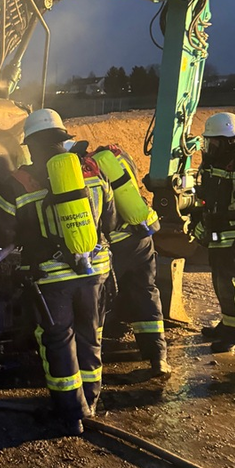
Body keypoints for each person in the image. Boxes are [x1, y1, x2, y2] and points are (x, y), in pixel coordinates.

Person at [0, 108, 116, 436]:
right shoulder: (92, 170)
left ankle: (70, 414)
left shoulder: (18, 182)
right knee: (91, 335)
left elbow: (2, 233)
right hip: (95, 269)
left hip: (52, 277)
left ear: (31, 145)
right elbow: (112, 222)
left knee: (58, 341)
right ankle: (92, 401)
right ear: (63, 138)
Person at [90, 144, 172, 376]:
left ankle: (91, 361)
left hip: (117, 245)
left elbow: (100, 216)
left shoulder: (92, 170)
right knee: (146, 293)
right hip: (142, 238)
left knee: (96, 299)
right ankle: (158, 358)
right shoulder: (121, 160)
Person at [192, 112, 235, 353]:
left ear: (228, 140)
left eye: (213, 142)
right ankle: (228, 324)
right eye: (208, 142)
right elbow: (204, 197)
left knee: (231, 284)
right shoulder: (212, 165)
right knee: (219, 281)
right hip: (217, 234)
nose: (209, 147)